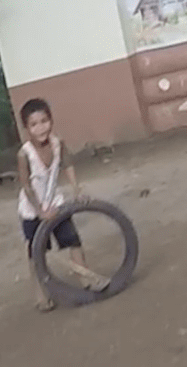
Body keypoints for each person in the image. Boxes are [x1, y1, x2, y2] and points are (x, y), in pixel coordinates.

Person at [16, 98, 109, 312]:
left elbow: (67, 164)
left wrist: (77, 190)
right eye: (34, 124)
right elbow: (26, 186)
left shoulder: (58, 143)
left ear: (51, 121)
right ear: (27, 129)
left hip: (55, 203)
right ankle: (41, 294)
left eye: (44, 121)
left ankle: (87, 279)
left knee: (72, 240)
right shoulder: (24, 154)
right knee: (36, 252)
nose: (41, 127)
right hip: (33, 209)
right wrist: (40, 211)